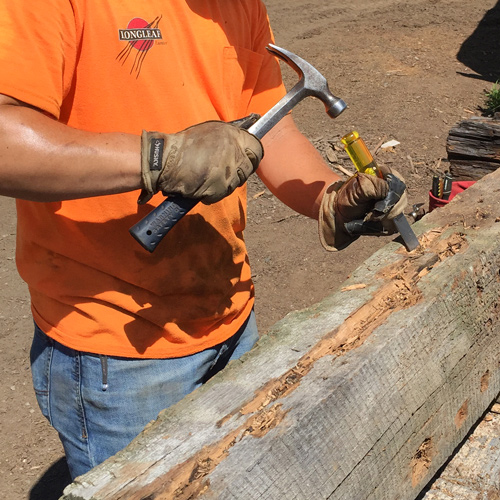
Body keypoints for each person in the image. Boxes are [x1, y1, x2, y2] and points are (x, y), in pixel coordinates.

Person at [0, 0, 406, 480]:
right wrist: (159, 158)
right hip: (116, 345)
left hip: (231, 314)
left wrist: (333, 199)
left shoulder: (237, 5)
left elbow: (266, 128)